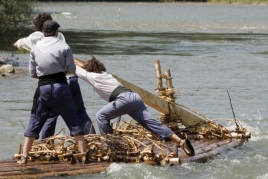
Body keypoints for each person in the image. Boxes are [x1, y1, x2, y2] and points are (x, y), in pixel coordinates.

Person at [74, 56, 195, 157]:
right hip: (134, 97)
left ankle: (111, 147)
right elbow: (84, 66)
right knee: (153, 123)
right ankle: (180, 141)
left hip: (123, 99)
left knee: (100, 116)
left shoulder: (91, 76)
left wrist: (66, 53)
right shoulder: (105, 74)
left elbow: (75, 67)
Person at [17, 20, 88, 165]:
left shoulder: (35, 48)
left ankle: (24, 157)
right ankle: (83, 155)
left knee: (35, 121)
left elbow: (32, 73)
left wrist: (45, 75)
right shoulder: (64, 47)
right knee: (73, 120)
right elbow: (72, 70)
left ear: (43, 32)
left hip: (43, 88)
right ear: (57, 32)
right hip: (61, 87)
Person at [13, 13, 95, 138]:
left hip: (50, 84)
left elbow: (16, 44)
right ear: (54, 28)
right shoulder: (59, 36)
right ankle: (91, 138)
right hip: (70, 79)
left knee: (50, 115)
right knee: (79, 111)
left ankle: (47, 143)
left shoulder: (32, 39)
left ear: (38, 27)